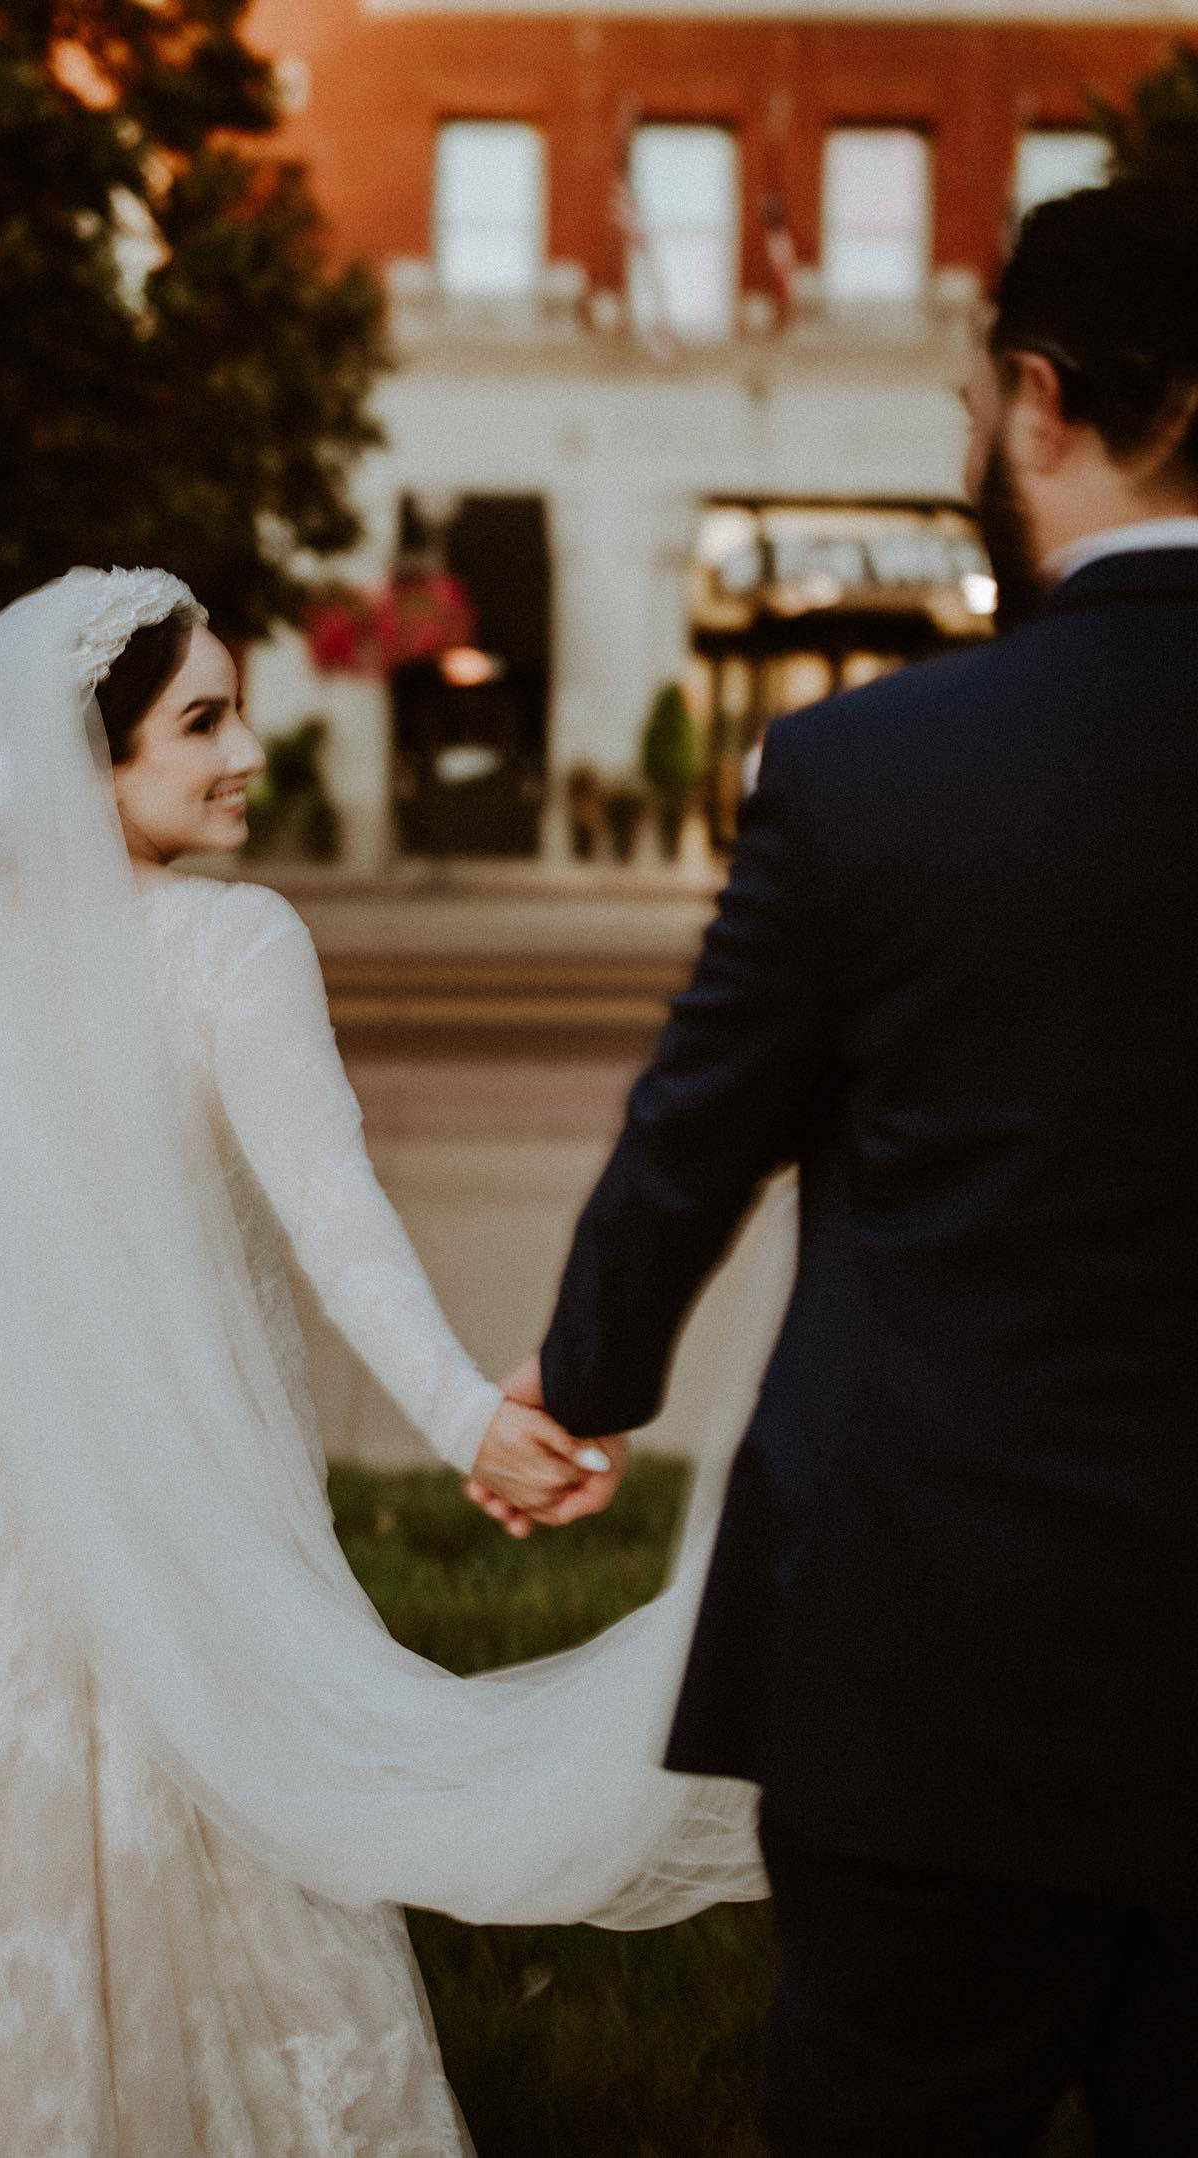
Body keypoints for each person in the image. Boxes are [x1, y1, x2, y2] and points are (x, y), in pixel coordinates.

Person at [0, 563, 766, 2155]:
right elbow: (334, 1228)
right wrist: (463, 1422)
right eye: (202, 721)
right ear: (88, 760)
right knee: (211, 1821)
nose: (247, 754)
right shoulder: (233, 943)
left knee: (1, 1849)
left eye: (243, 716)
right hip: (165, 1479)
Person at [520, 180, 1198, 2154]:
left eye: (981, 402)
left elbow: (693, 1137)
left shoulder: (867, 774)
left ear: (1043, 403)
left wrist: (579, 1387)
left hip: (924, 1679)